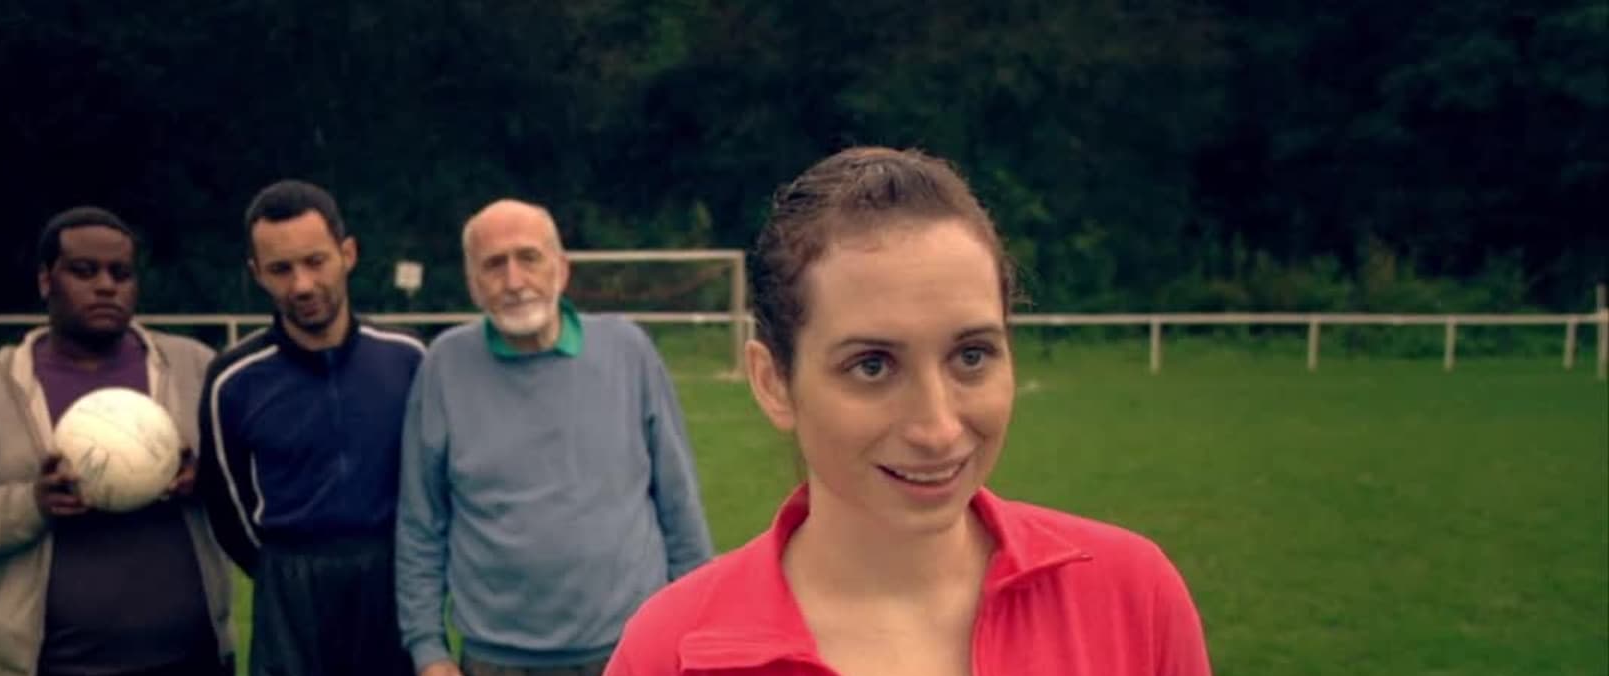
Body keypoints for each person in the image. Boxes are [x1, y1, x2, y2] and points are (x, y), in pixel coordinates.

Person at [606, 147, 1213, 675]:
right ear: (774, 384)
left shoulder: (1133, 597)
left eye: (971, 355)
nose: (938, 428)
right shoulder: (668, 652)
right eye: (872, 366)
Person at [0, 206, 236, 676]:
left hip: (192, 660)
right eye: (84, 271)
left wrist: (204, 480)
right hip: (57, 665)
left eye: (121, 273)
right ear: (46, 280)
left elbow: (256, 480)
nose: (105, 286)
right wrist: (32, 504)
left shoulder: (196, 368)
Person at [396, 199, 715, 676]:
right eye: (494, 265)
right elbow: (421, 523)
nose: (514, 280)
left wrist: (695, 628)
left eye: (529, 257)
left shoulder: (628, 351)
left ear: (561, 269)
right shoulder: (444, 366)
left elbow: (679, 505)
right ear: (473, 283)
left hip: (630, 649)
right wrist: (429, 651)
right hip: (496, 661)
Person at [197, 179, 423, 675]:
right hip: (289, 587)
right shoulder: (232, 380)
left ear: (347, 254)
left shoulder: (407, 357)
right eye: (280, 269)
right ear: (257, 273)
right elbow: (225, 504)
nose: (301, 285)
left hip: (390, 579)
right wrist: (284, 570)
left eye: (315, 261)